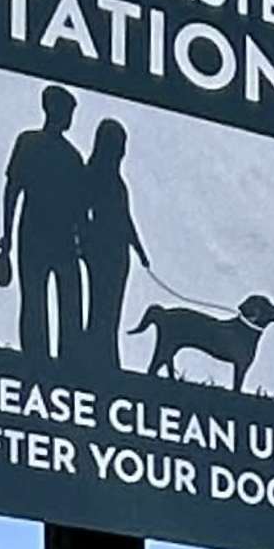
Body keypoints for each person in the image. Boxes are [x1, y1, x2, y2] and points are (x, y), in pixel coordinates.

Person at [0, 87, 92, 365]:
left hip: (59, 239)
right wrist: (7, 236)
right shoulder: (30, 143)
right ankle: (37, 360)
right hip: (36, 234)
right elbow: (13, 190)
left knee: (67, 302)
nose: (70, 118)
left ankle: (66, 361)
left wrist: (82, 243)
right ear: (53, 110)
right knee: (35, 300)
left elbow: (79, 208)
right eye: (68, 111)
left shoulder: (73, 157)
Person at [72, 119, 150, 371]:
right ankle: (93, 358)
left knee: (112, 309)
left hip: (119, 254)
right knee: (100, 307)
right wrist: (83, 244)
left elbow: (126, 219)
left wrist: (139, 251)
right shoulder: (91, 175)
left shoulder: (117, 182)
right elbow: (80, 213)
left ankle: (107, 361)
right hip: (100, 252)